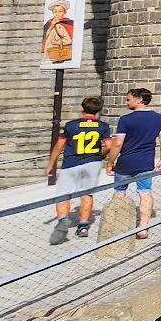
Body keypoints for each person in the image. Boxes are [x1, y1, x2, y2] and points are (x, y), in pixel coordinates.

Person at [104, 88, 161, 239]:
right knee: (145, 192)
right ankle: (143, 228)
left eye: (128, 99)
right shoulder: (159, 118)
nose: (126, 102)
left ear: (139, 100)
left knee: (119, 192)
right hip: (145, 162)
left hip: (125, 162)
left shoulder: (126, 119)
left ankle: (118, 226)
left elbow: (118, 143)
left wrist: (110, 163)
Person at [43, 96, 104, 243]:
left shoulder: (71, 125)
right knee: (87, 193)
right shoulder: (103, 126)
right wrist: (100, 157)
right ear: (98, 111)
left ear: (82, 109)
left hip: (71, 163)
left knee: (63, 193)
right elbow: (109, 145)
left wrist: (50, 164)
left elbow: (59, 145)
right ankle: (83, 226)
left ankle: (63, 219)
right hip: (92, 163)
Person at [41, 0, 75, 64]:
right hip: (50, 52)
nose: (57, 14)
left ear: (64, 13)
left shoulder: (69, 23)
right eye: (55, 12)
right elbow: (45, 38)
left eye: (60, 11)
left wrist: (58, 42)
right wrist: (52, 25)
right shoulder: (48, 24)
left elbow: (69, 40)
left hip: (62, 52)